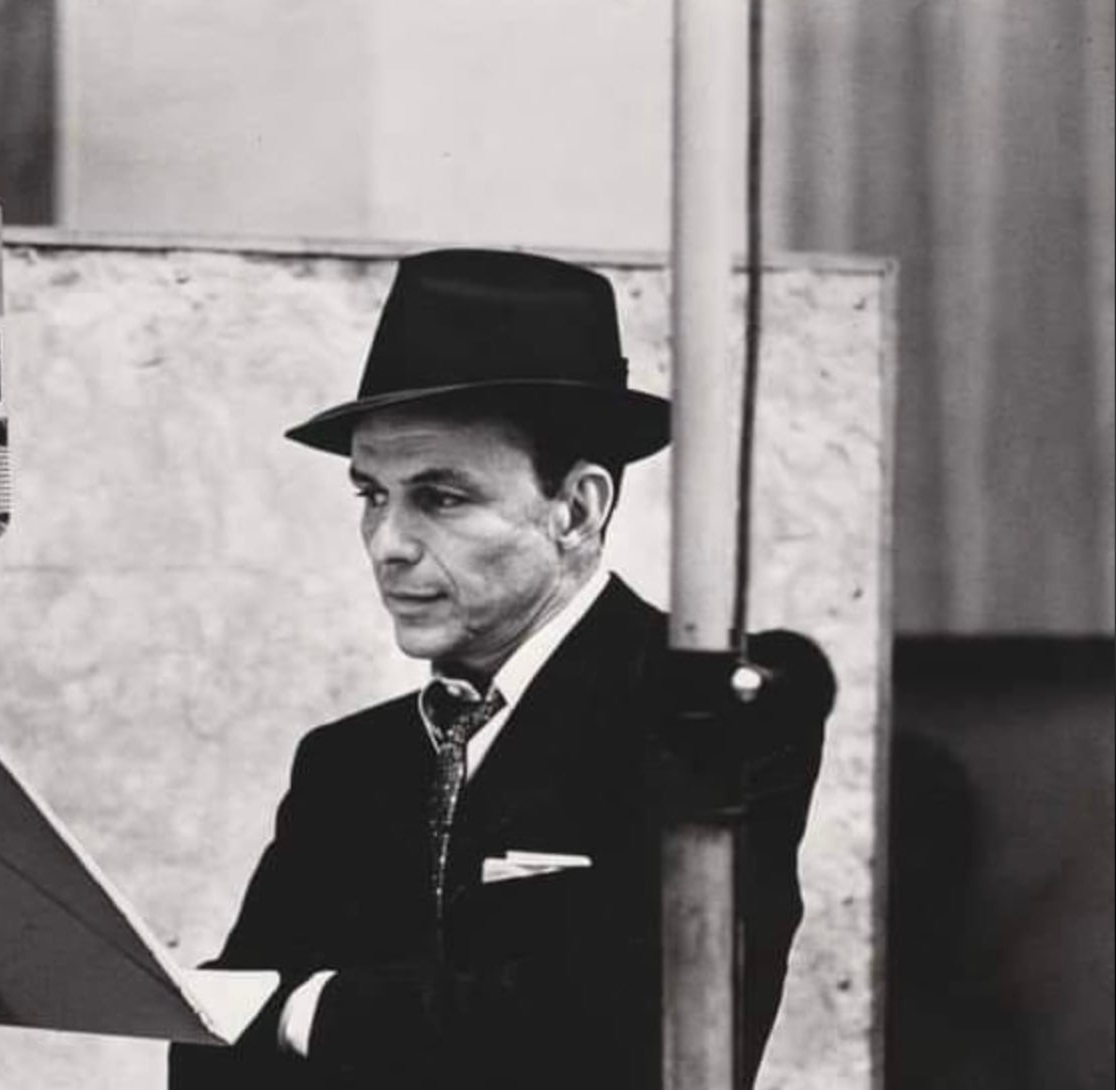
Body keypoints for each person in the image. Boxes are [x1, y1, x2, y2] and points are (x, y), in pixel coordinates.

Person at [168, 248, 833, 1089]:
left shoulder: (711, 709)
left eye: (441, 498)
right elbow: (208, 1053)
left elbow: (640, 1039)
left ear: (577, 508)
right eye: (372, 494)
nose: (389, 544)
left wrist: (311, 1009)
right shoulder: (347, 764)